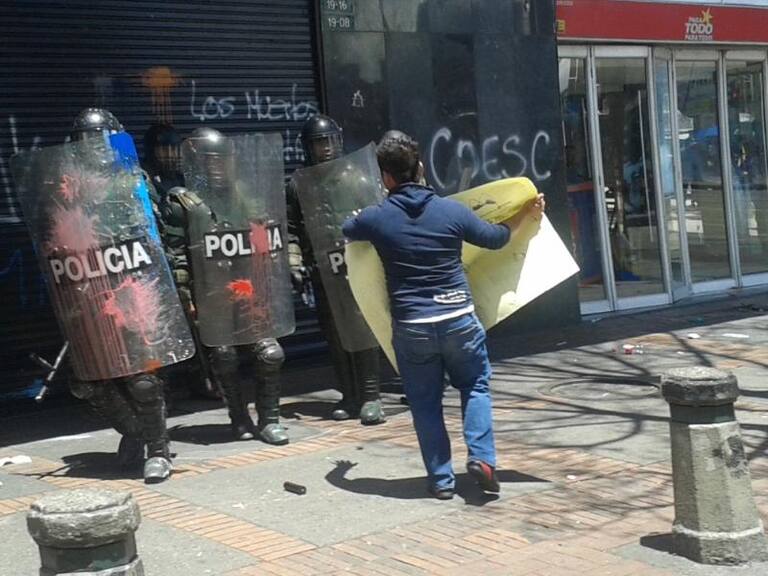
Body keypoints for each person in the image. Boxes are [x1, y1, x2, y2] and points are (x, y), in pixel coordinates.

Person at [342, 132, 544, 499]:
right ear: (420, 168)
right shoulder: (452, 212)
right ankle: (482, 458)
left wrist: (342, 473)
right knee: (475, 386)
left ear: (385, 177)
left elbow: (347, 229)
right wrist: (524, 215)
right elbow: (497, 238)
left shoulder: (376, 218)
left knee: (425, 404)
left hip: (413, 327)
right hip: (459, 319)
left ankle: (441, 480)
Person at [64, 108, 178, 483]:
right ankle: (134, 431)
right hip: (89, 291)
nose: (93, 148)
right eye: (86, 141)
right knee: (89, 382)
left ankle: (159, 451)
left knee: (142, 378)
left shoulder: (132, 181)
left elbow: (152, 235)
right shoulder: (67, 188)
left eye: (100, 140)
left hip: (131, 288)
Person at [167, 127, 290, 444]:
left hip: (250, 290)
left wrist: (278, 271)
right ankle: (239, 418)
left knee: (270, 354)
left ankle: (270, 419)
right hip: (212, 294)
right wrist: (185, 295)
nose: (216, 167)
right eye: (209, 162)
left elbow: (268, 238)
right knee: (224, 357)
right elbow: (177, 253)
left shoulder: (248, 197)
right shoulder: (185, 203)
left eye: (221, 160)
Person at [287, 114, 385, 425]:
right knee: (334, 334)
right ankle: (349, 394)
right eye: (318, 143)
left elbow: (377, 217)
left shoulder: (358, 177)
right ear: (307, 147)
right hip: (322, 270)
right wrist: (294, 262)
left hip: (356, 265)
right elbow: (291, 229)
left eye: (328, 141)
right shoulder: (298, 185)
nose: (325, 148)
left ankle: (371, 396)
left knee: (361, 328)